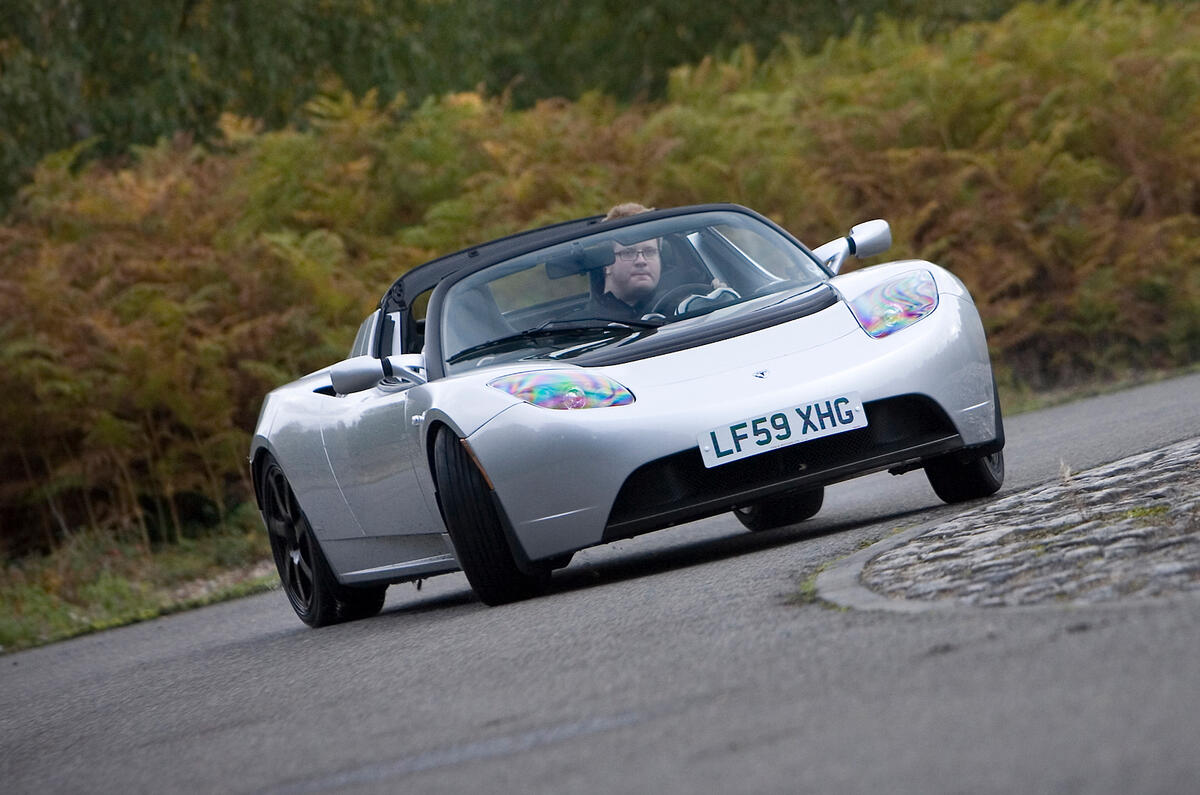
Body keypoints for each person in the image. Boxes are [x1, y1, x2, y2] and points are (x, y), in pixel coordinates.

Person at [588, 203, 663, 320]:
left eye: (650, 252)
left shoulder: (686, 308)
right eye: (629, 253)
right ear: (606, 263)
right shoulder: (586, 326)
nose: (641, 261)